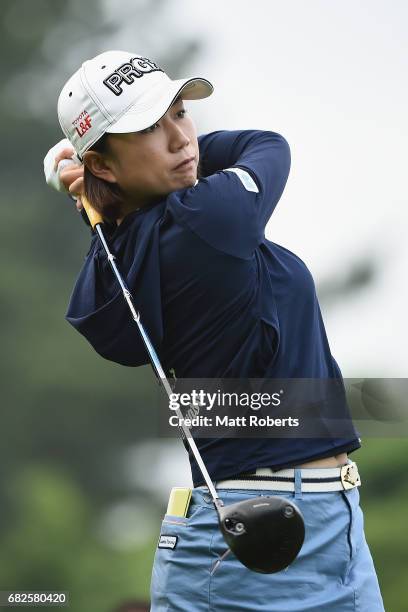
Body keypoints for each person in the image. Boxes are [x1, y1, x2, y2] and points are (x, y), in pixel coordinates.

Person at [44, 50, 385, 611]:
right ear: (102, 165)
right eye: (150, 127)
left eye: (180, 113)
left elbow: (131, 200)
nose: (180, 138)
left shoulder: (128, 240)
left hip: (317, 528)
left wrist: (101, 177)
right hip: (258, 536)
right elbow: (267, 144)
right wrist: (87, 170)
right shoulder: (209, 219)